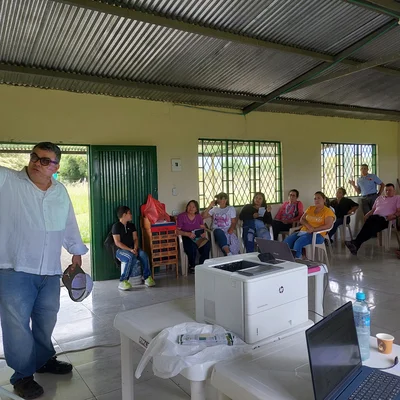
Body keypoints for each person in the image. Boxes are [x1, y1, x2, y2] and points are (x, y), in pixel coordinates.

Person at [0, 142, 88, 399]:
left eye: (45, 160)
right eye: (35, 157)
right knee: (16, 325)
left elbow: (69, 221)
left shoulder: (60, 192)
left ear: (56, 167)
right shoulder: (8, 181)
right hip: (14, 268)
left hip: (50, 270)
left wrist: (76, 252)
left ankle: (42, 360)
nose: (38, 163)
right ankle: (22, 375)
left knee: (46, 319)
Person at [345, 184, 400, 255]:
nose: (388, 192)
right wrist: (367, 215)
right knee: (371, 224)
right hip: (375, 218)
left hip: (387, 220)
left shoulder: (397, 198)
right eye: (386, 190)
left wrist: (394, 215)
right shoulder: (379, 198)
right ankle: (356, 244)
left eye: (390, 190)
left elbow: (399, 211)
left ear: (394, 191)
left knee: (370, 223)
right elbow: (373, 209)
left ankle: (356, 243)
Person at [112, 206, 155, 290]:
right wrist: (130, 250)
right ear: (124, 215)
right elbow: (117, 242)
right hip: (121, 250)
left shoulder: (131, 225)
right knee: (130, 257)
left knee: (143, 255)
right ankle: (123, 281)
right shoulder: (116, 226)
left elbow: (135, 238)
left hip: (133, 248)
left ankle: (147, 277)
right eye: (129, 213)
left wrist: (135, 248)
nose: (131, 215)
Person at [284, 191, 335, 258]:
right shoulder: (311, 208)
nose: (316, 200)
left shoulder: (328, 211)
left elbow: (328, 225)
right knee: (287, 241)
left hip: (318, 234)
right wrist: (309, 226)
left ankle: (297, 262)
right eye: (315, 198)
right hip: (304, 231)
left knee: (298, 242)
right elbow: (302, 219)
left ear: (324, 199)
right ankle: (287, 259)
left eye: (318, 198)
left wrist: (314, 229)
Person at [176, 200, 211, 273]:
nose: (191, 208)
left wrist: (203, 232)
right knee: (192, 246)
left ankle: (202, 265)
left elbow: (202, 227)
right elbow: (177, 231)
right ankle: (192, 266)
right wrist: (187, 234)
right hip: (186, 236)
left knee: (207, 244)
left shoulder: (198, 216)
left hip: (197, 236)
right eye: (189, 206)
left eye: (193, 207)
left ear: (196, 209)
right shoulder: (181, 216)